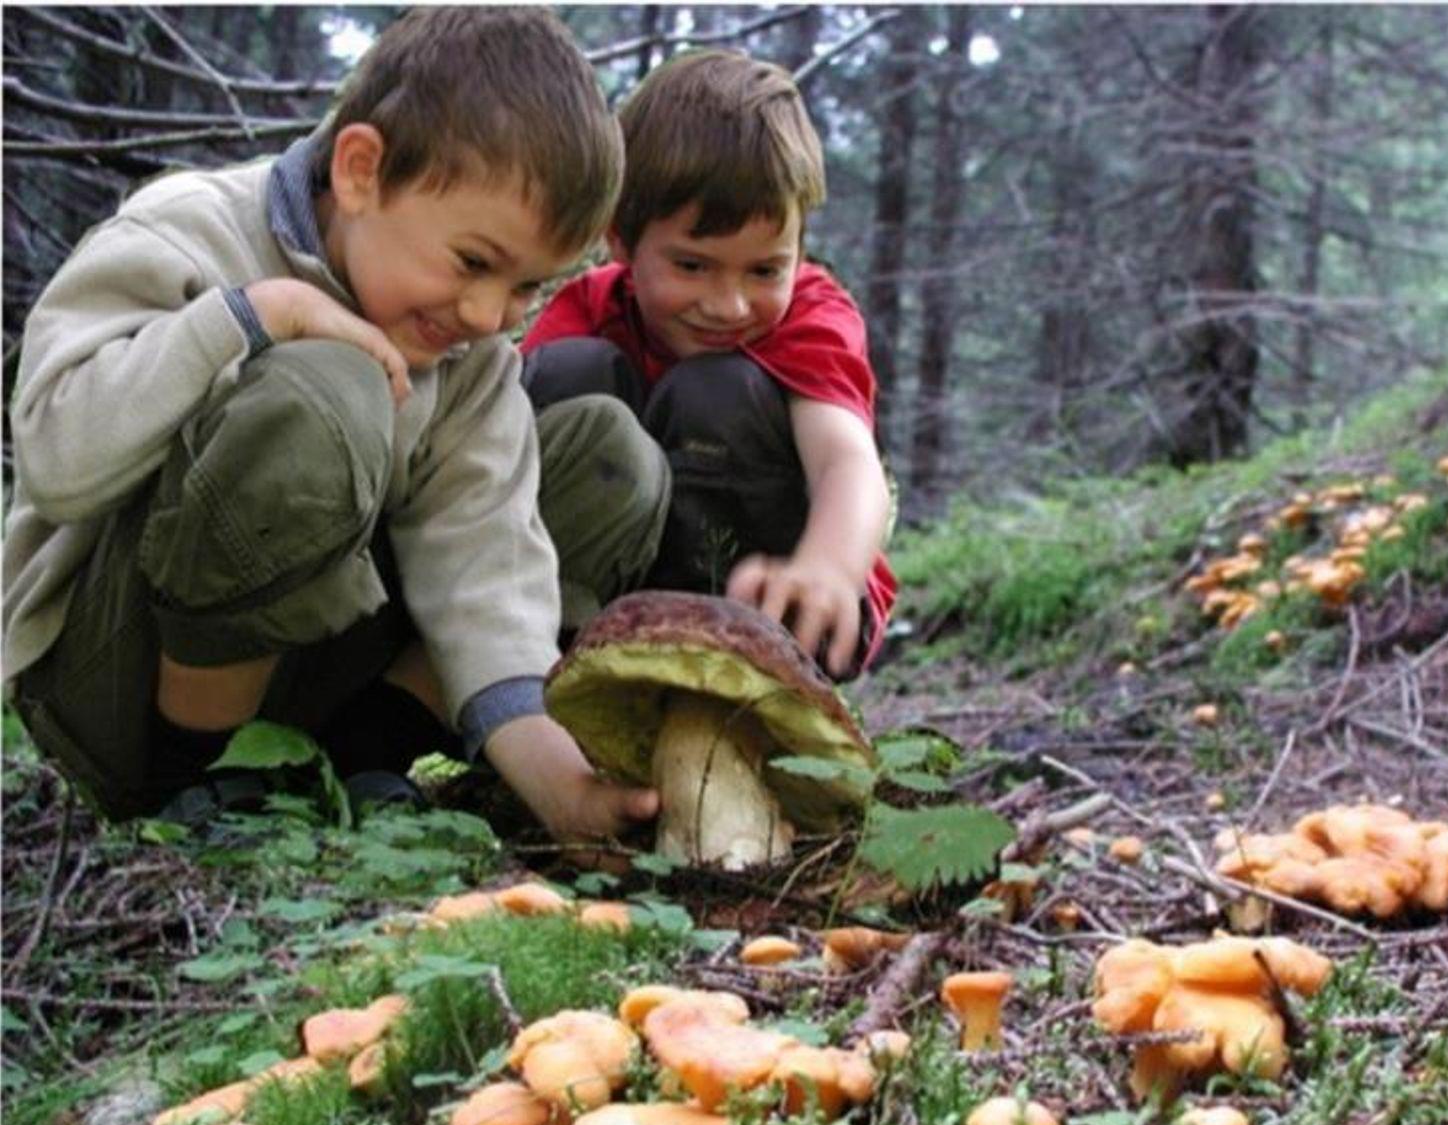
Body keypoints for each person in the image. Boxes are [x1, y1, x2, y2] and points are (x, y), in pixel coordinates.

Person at [4, 8, 672, 846]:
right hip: (115, 687)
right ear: (360, 171)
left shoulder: (468, 353)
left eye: (527, 288)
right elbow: (57, 458)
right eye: (473, 262)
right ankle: (196, 783)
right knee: (326, 385)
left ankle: (363, 756)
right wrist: (253, 315)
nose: (486, 315)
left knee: (608, 456)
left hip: (300, 679)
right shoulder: (188, 229)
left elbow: (488, 567)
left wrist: (561, 790)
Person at [520, 48, 896, 682]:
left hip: (780, 598)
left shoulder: (812, 314)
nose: (729, 305)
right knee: (569, 375)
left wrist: (828, 568)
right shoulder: (589, 309)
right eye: (692, 266)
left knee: (716, 389)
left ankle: (739, 679)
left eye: (765, 270)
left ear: (799, 249)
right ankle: (550, 657)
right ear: (620, 239)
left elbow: (847, 460)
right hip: (616, 589)